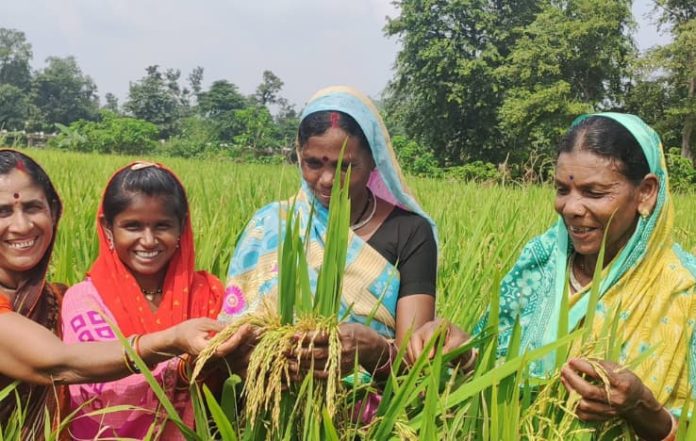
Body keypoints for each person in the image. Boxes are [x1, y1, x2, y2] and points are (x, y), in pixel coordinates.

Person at [412, 113, 693, 440]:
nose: (571, 207)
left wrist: (641, 406)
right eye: (562, 189)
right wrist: (464, 354)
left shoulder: (683, 289)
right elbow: (493, 383)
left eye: (595, 192)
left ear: (645, 192)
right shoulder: (539, 260)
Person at [0, 150, 249, 440]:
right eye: (3, 211)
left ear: (54, 211)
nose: (22, 225)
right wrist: (171, 341)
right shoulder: (84, 302)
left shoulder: (57, 299)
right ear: (108, 229)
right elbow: (57, 363)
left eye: (32, 208)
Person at [218, 85, 438, 379]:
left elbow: (416, 365)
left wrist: (373, 350)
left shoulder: (410, 232)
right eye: (312, 163)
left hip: (369, 406)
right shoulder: (272, 224)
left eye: (345, 166)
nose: (327, 180)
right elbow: (232, 341)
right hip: (273, 396)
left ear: (374, 161)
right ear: (299, 156)